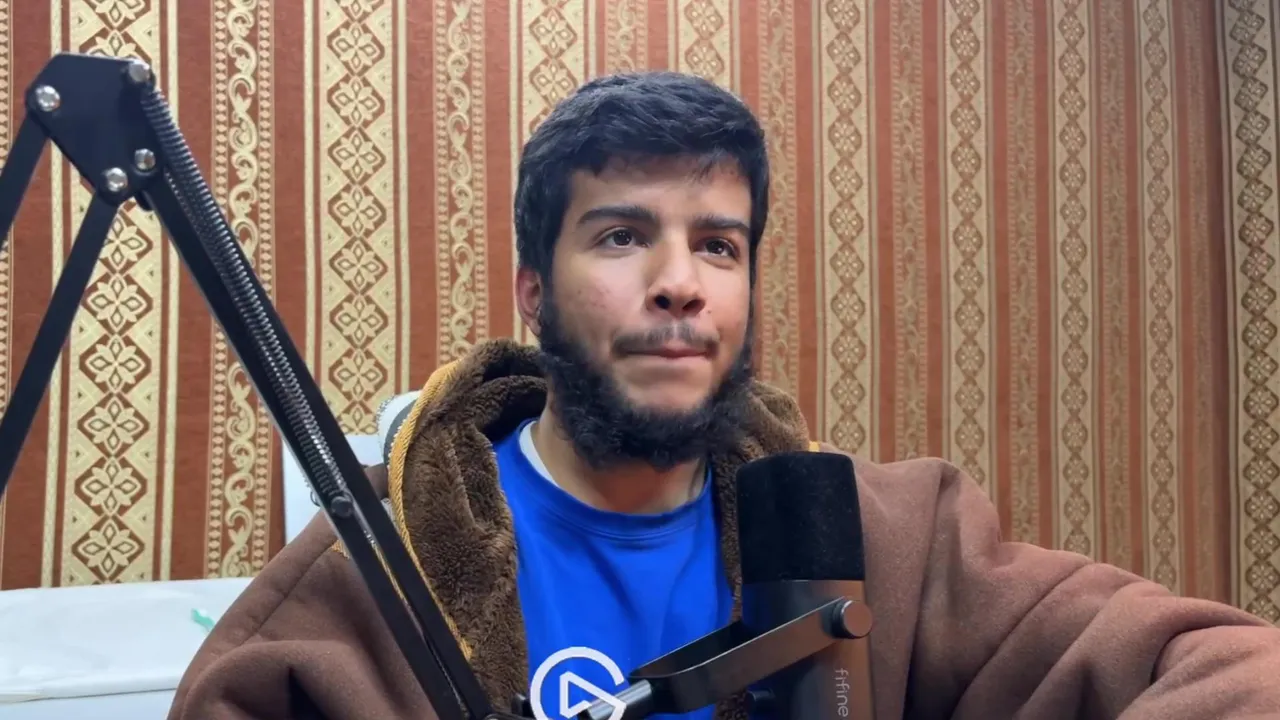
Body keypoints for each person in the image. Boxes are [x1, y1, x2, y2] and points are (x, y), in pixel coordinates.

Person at [167, 71, 1280, 720]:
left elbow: (1234, 673)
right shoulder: (371, 569)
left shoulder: (893, 537)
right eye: (621, 236)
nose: (680, 283)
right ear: (533, 292)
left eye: (717, 244)